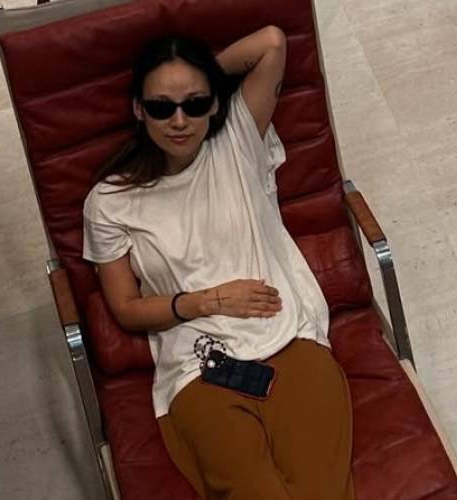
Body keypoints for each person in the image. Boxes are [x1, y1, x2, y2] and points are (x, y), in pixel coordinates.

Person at [82, 26, 355, 500]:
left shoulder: (236, 141)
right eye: (162, 107)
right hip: (199, 365)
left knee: (324, 492)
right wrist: (207, 301)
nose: (179, 120)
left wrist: (203, 77)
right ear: (138, 109)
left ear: (214, 103)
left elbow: (272, 42)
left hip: (288, 339)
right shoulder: (110, 201)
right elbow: (125, 308)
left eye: (195, 103)